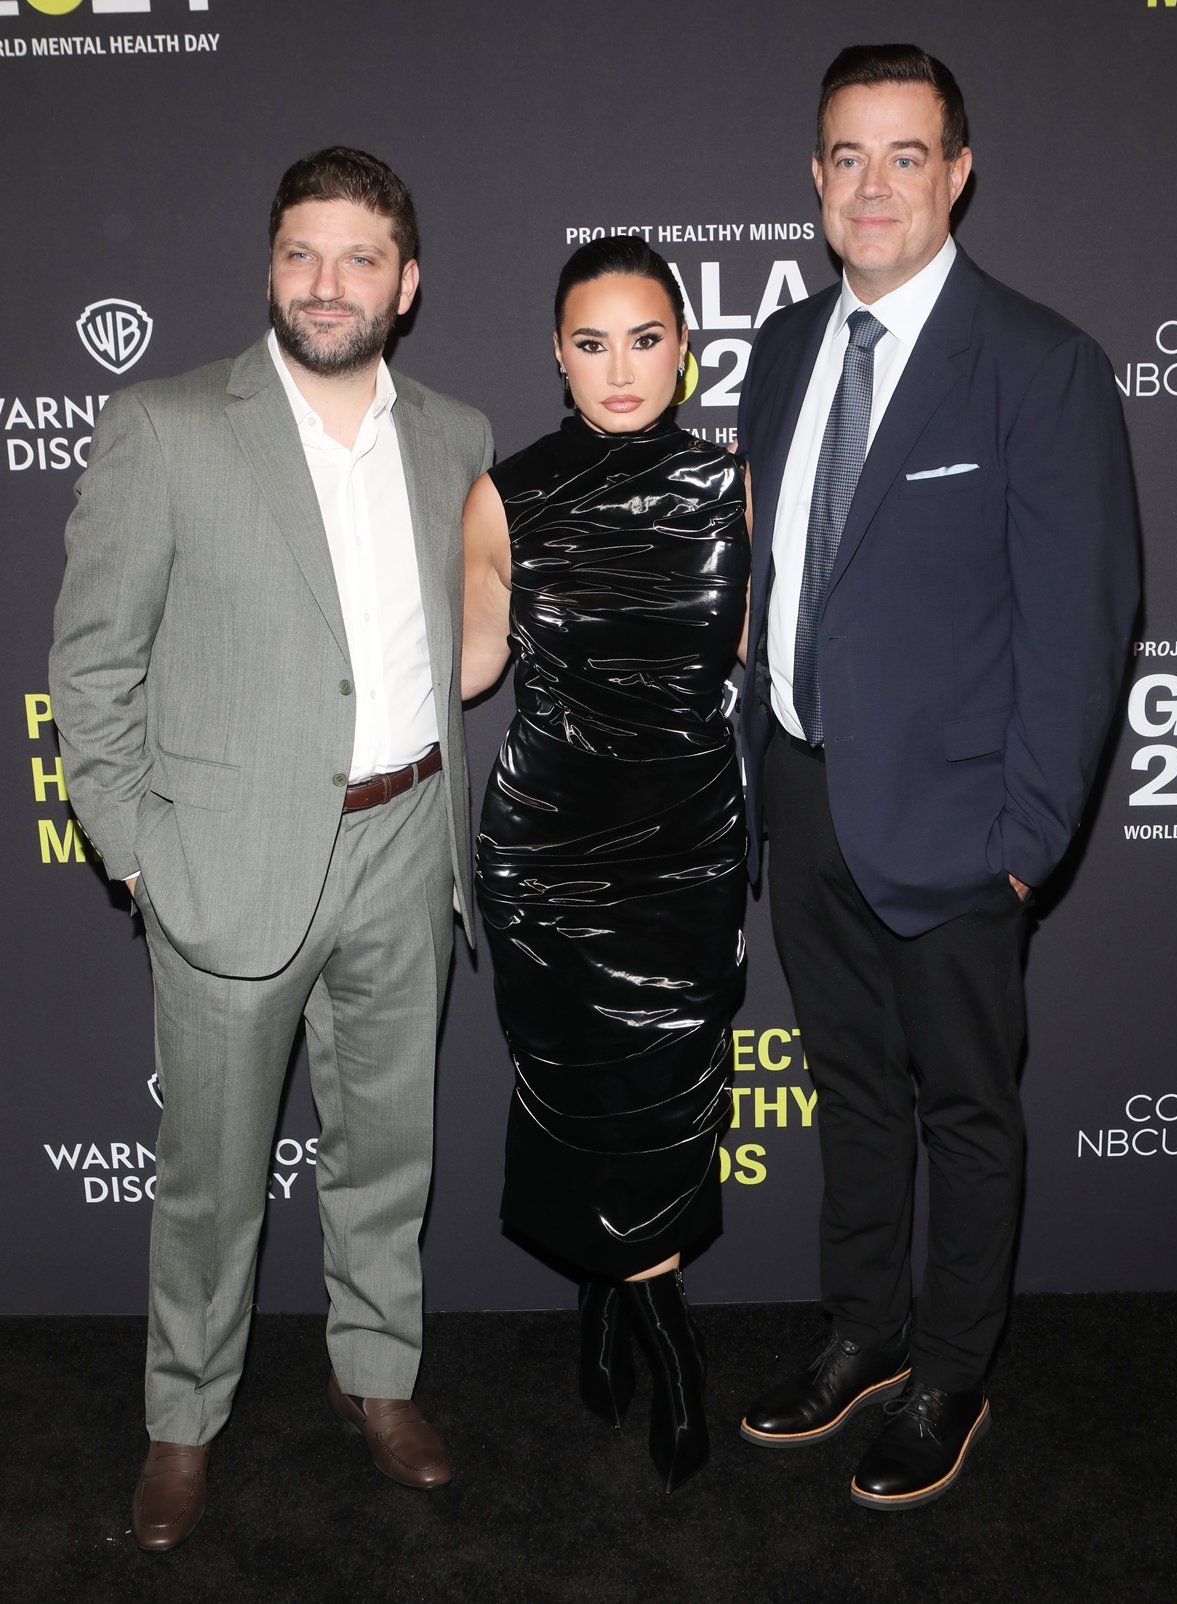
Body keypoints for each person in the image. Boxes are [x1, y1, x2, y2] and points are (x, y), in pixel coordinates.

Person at [49, 146, 492, 1551]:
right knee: (211, 1178)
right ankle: (183, 1421)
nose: (328, 282)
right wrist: (138, 858)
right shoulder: (169, 425)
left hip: (407, 841)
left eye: (361, 257)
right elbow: (93, 665)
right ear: (269, 267)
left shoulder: (457, 436)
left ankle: (380, 1380)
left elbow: (462, 638)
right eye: (303, 253)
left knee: (387, 1158)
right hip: (226, 867)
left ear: (406, 286)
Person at [736, 46, 1138, 1509]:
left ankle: (956, 1370)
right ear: (817, 177)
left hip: (963, 828)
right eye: (848, 155)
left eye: (907, 155)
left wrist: (1028, 840)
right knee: (852, 1094)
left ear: (958, 173)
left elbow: (1082, 629)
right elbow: (782, 577)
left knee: (967, 1108)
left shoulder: (1040, 364)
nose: (874, 184)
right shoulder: (783, 350)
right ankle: (866, 1333)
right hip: (801, 792)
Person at [462, 237, 750, 1491]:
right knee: (583, 1090)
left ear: (685, 348)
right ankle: (675, 1350)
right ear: (558, 354)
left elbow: (748, 650)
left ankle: (601, 1289)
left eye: (645, 339)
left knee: (669, 1098)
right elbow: (468, 667)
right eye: (592, 342)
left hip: (685, 846)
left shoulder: (731, 480)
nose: (619, 368)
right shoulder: (505, 491)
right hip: (551, 855)